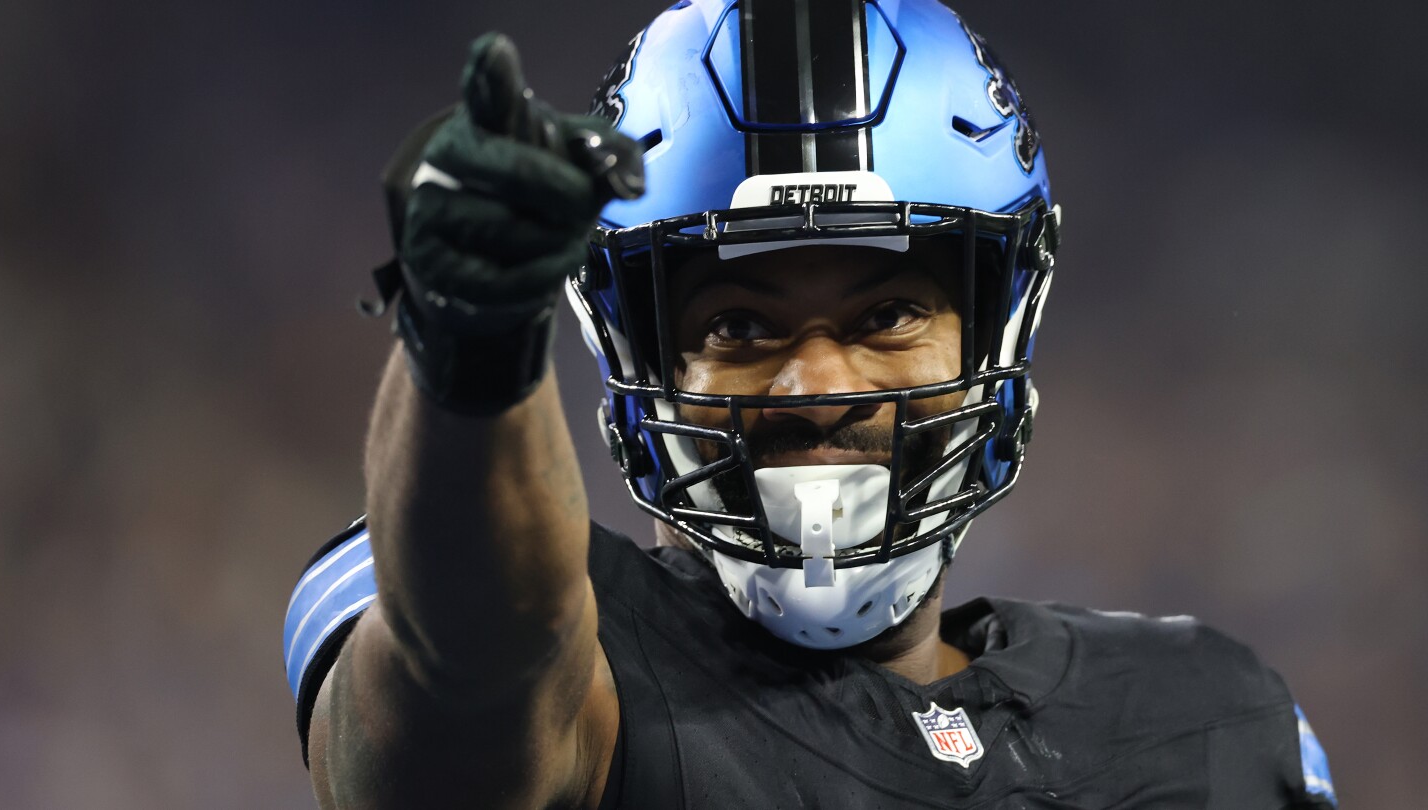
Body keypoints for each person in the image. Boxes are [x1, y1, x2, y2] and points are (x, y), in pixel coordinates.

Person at [283, 1, 1337, 807]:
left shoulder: (1213, 720)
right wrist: (469, 344)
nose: (820, 387)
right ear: (633, 352)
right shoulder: (563, 648)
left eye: (888, 315)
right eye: (741, 326)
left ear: (997, 330)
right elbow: (456, 700)